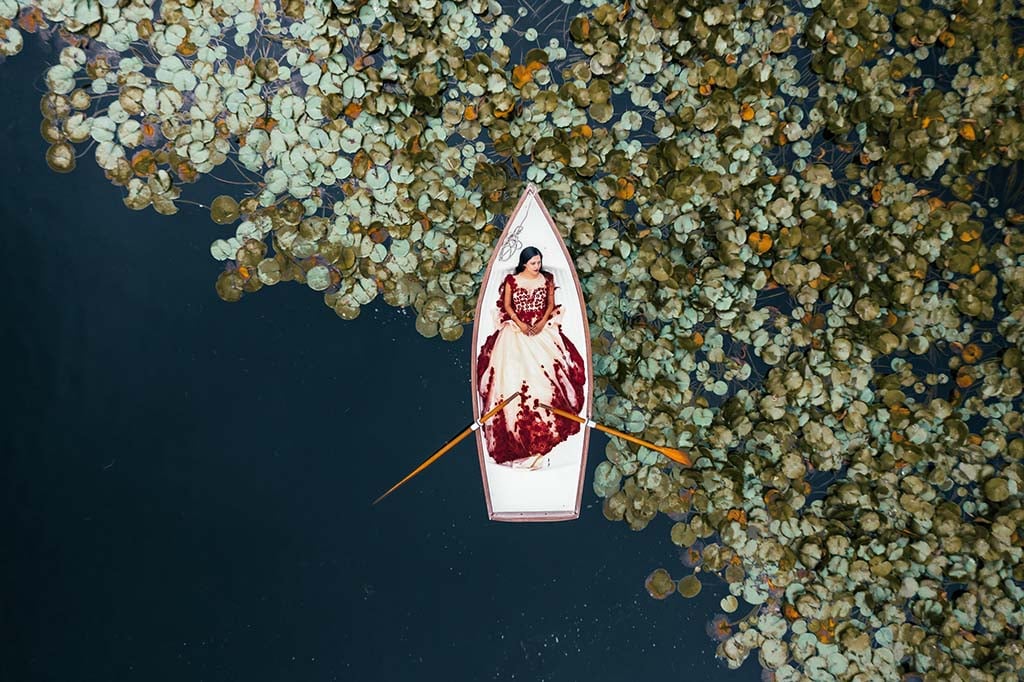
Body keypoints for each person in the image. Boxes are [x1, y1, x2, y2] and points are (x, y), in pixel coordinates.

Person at [476, 247, 587, 469]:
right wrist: (520, 323)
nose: (537, 266)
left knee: (553, 370)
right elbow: (508, 306)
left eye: (539, 262)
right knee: (508, 373)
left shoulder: (546, 280)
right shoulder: (512, 280)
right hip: (517, 329)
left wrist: (539, 323)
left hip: (540, 327)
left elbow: (549, 306)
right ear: (525, 264)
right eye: (534, 263)